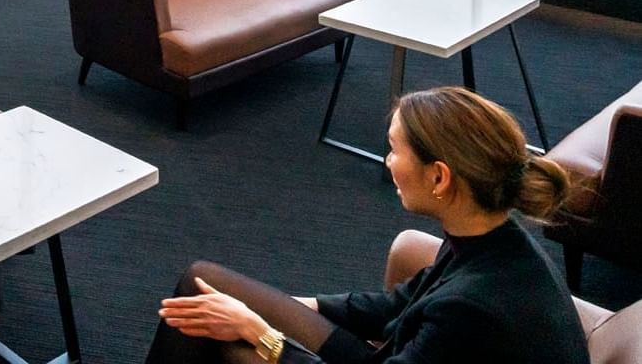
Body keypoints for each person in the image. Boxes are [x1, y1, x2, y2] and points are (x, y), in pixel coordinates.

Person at [147, 86, 588, 364]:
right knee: (205, 286)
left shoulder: (474, 311)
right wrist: (283, 305)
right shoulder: (487, 239)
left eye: (394, 149)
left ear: (439, 177)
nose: (387, 160)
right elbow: (394, 306)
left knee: (228, 336)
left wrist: (261, 331)